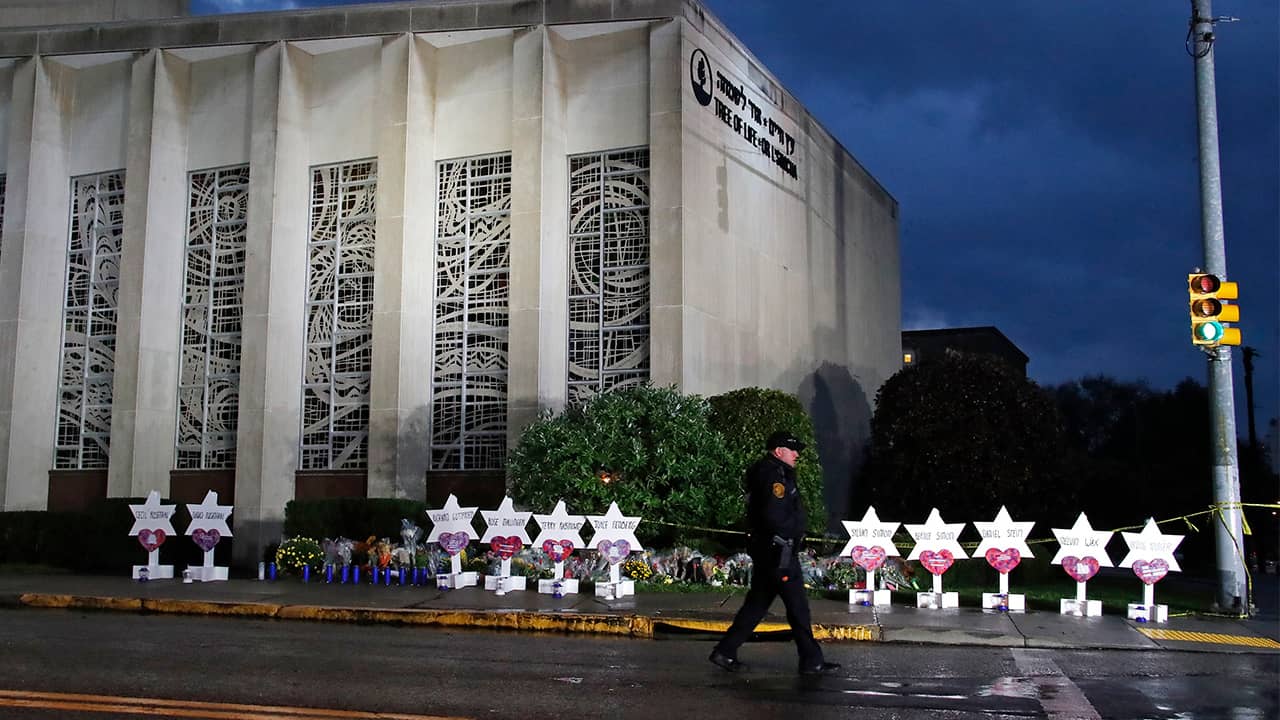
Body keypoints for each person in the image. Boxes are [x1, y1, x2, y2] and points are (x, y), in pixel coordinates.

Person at [709, 430, 841, 676]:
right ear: (779, 451)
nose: (797, 454)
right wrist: (791, 533)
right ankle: (811, 661)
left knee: (757, 605)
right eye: (793, 449)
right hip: (779, 552)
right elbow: (774, 515)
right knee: (798, 607)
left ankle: (725, 651)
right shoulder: (773, 476)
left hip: (773, 551)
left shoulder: (774, 472)